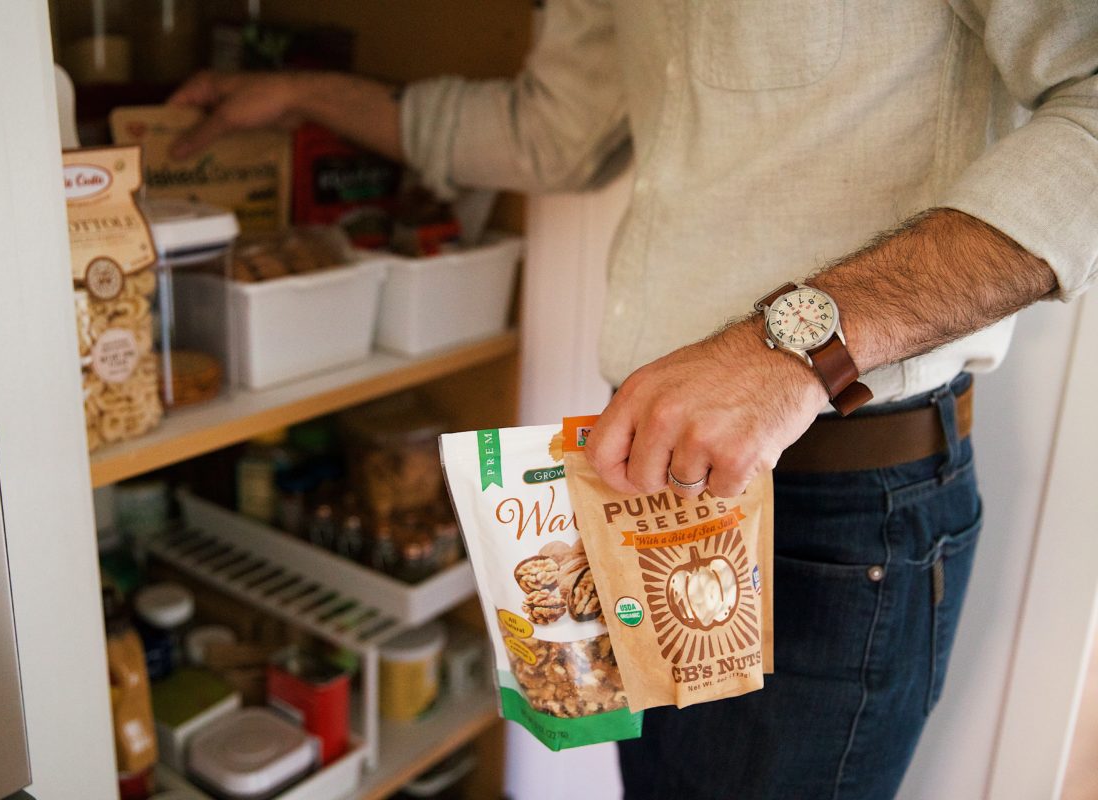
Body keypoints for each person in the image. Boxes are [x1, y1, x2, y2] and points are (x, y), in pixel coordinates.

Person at [170, 2, 1098, 796]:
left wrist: (795, 344)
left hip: (833, 518)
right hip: (643, 490)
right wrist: (301, 92)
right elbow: (547, 133)